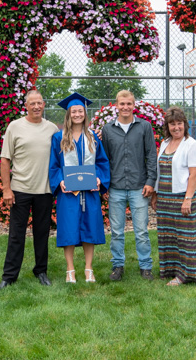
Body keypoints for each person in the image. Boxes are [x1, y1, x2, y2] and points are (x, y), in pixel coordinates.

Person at [0, 90, 59, 292]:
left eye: (39, 103)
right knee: (16, 234)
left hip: (44, 190)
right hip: (20, 189)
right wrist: (7, 189)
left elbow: (62, 154)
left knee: (42, 233)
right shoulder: (15, 127)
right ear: (26, 106)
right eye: (32, 103)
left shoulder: (51, 129)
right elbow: (5, 159)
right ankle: (9, 276)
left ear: (44, 104)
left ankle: (41, 271)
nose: (36, 106)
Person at [49, 93, 110, 283]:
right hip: (68, 193)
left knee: (90, 229)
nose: (77, 114)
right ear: (68, 114)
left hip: (90, 193)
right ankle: (70, 270)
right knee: (68, 230)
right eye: (73, 111)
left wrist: (100, 179)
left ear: (85, 113)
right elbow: (54, 165)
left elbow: (102, 162)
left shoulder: (93, 137)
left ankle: (88, 269)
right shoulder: (58, 138)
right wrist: (60, 181)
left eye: (80, 111)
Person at [101, 90, 157, 281]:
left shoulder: (144, 127)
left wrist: (151, 182)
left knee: (141, 231)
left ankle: (146, 266)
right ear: (116, 105)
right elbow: (105, 159)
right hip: (116, 187)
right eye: (122, 104)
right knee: (116, 231)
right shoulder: (108, 130)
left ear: (134, 106)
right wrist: (106, 185)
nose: (125, 107)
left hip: (139, 187)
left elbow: (151, 155)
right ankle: (117, 265)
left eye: (129, 104)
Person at [150, 107, 196, 286]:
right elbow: (160, 171)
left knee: (185, 237)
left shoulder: (191, 144)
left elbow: (194, 174)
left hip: (182, 197)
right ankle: (170, 269)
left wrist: (187, 199)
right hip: (165, 198)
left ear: (185, 125)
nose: (176, 127)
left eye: (179, 123)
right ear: (167, 126)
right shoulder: (165, 143)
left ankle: (186, 274)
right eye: (172, 124)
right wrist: (156, 195)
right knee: (168, 236)